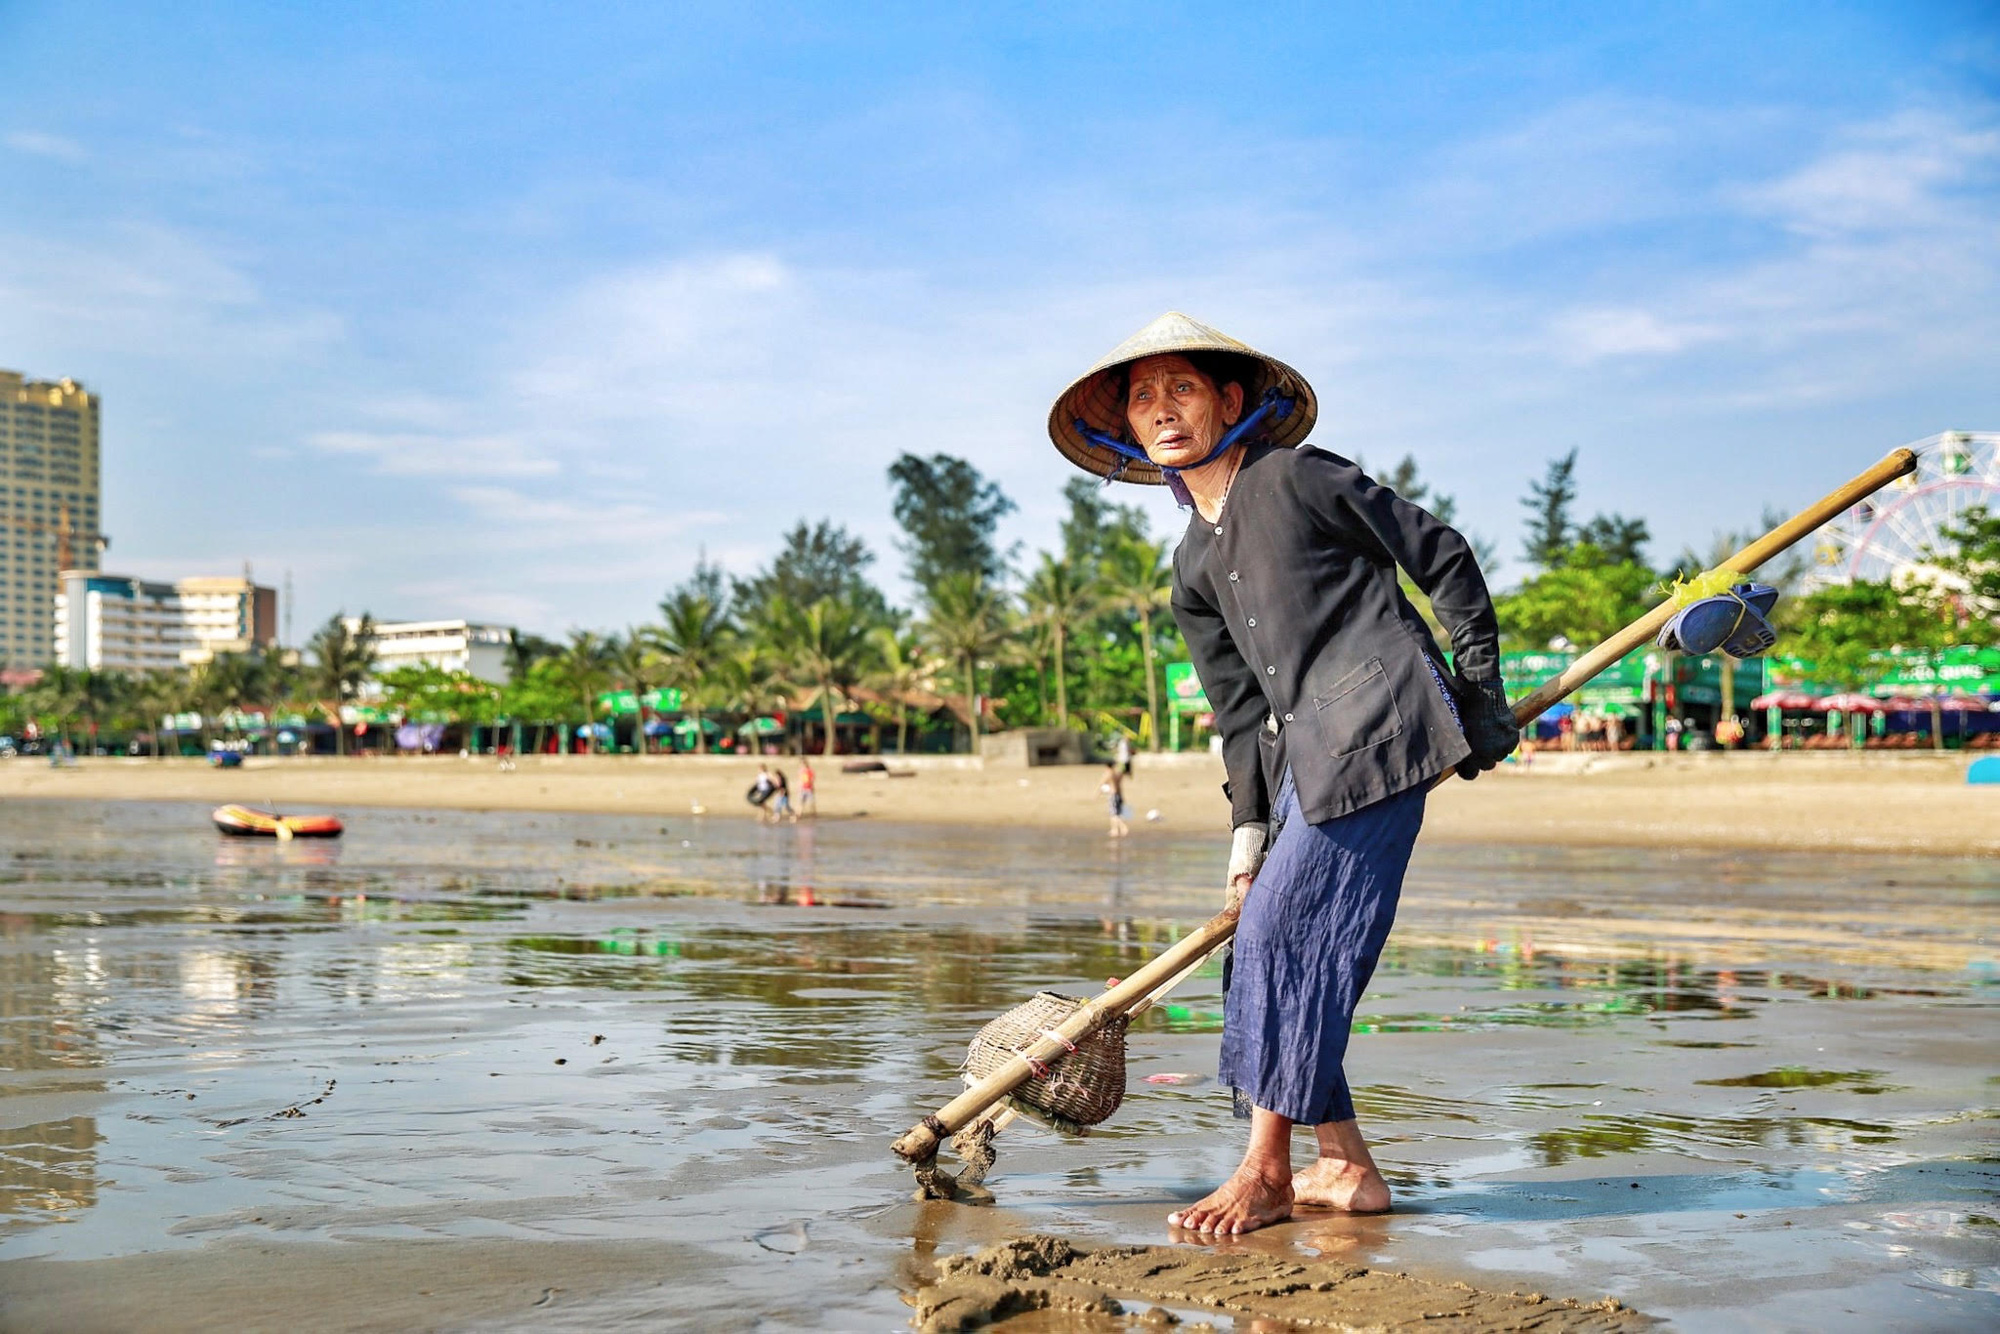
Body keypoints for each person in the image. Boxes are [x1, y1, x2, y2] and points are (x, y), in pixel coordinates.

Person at [1047, 312, 1517, 1235]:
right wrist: (1247, 837)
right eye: (1144, 397)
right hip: (1305, 764)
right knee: (1262, 941)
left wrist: (1481, 690)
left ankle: (1264, 1172)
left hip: (1385, 729)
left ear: (1230, 400)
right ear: (1128, 430)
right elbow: (1241, 715)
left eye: (1182, 388)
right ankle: (1346, 1169)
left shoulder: (1296, 476)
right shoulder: (1190, 565)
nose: (1163, 409)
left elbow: (1442, 554)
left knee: (1281, 942)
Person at [1101, 762, 1131, 838]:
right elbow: (1119, 786)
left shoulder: (1109, 774)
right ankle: (1116, 830)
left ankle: (1122, 828)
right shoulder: (1117, 774)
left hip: (1113, 795)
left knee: (1114, 814)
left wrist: (1096, 794)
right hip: (1118, 795)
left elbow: (1102, 784)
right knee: (1117, 813)